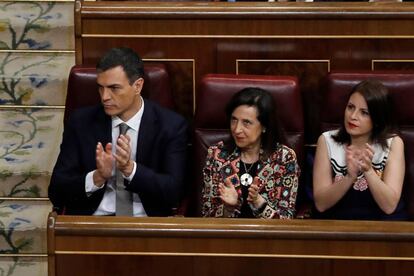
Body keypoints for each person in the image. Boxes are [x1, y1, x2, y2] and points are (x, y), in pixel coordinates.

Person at [48, 47, 188, 216]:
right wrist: (98, 177)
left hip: (147, 224)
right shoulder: (81, 123)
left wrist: (130, 169)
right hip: (93, 224)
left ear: (137, 86)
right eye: (100, 87)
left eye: (114, 88)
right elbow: (56, 191)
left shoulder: (171, 126)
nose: (104, 96)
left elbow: (174, 192)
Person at [313, 80, 407, 220]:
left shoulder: (393, 143)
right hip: (335, 225)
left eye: (364, 112)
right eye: (350, 107)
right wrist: (350, 177)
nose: (353, 116)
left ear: (377, 118)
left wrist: (369, 171)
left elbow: (389, 206)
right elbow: (321, 204)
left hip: (382, 226)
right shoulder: (327, 140)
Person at [201, 87, 300, 219]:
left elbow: (287, 221)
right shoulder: (217, 155)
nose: (237, 129)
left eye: (246, 123)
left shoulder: (284, 158)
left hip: (268, 238)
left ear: (264, 126)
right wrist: (228, 208)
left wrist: (260, 204)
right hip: (227, 236)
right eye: (233, 120)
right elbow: (206, 216)